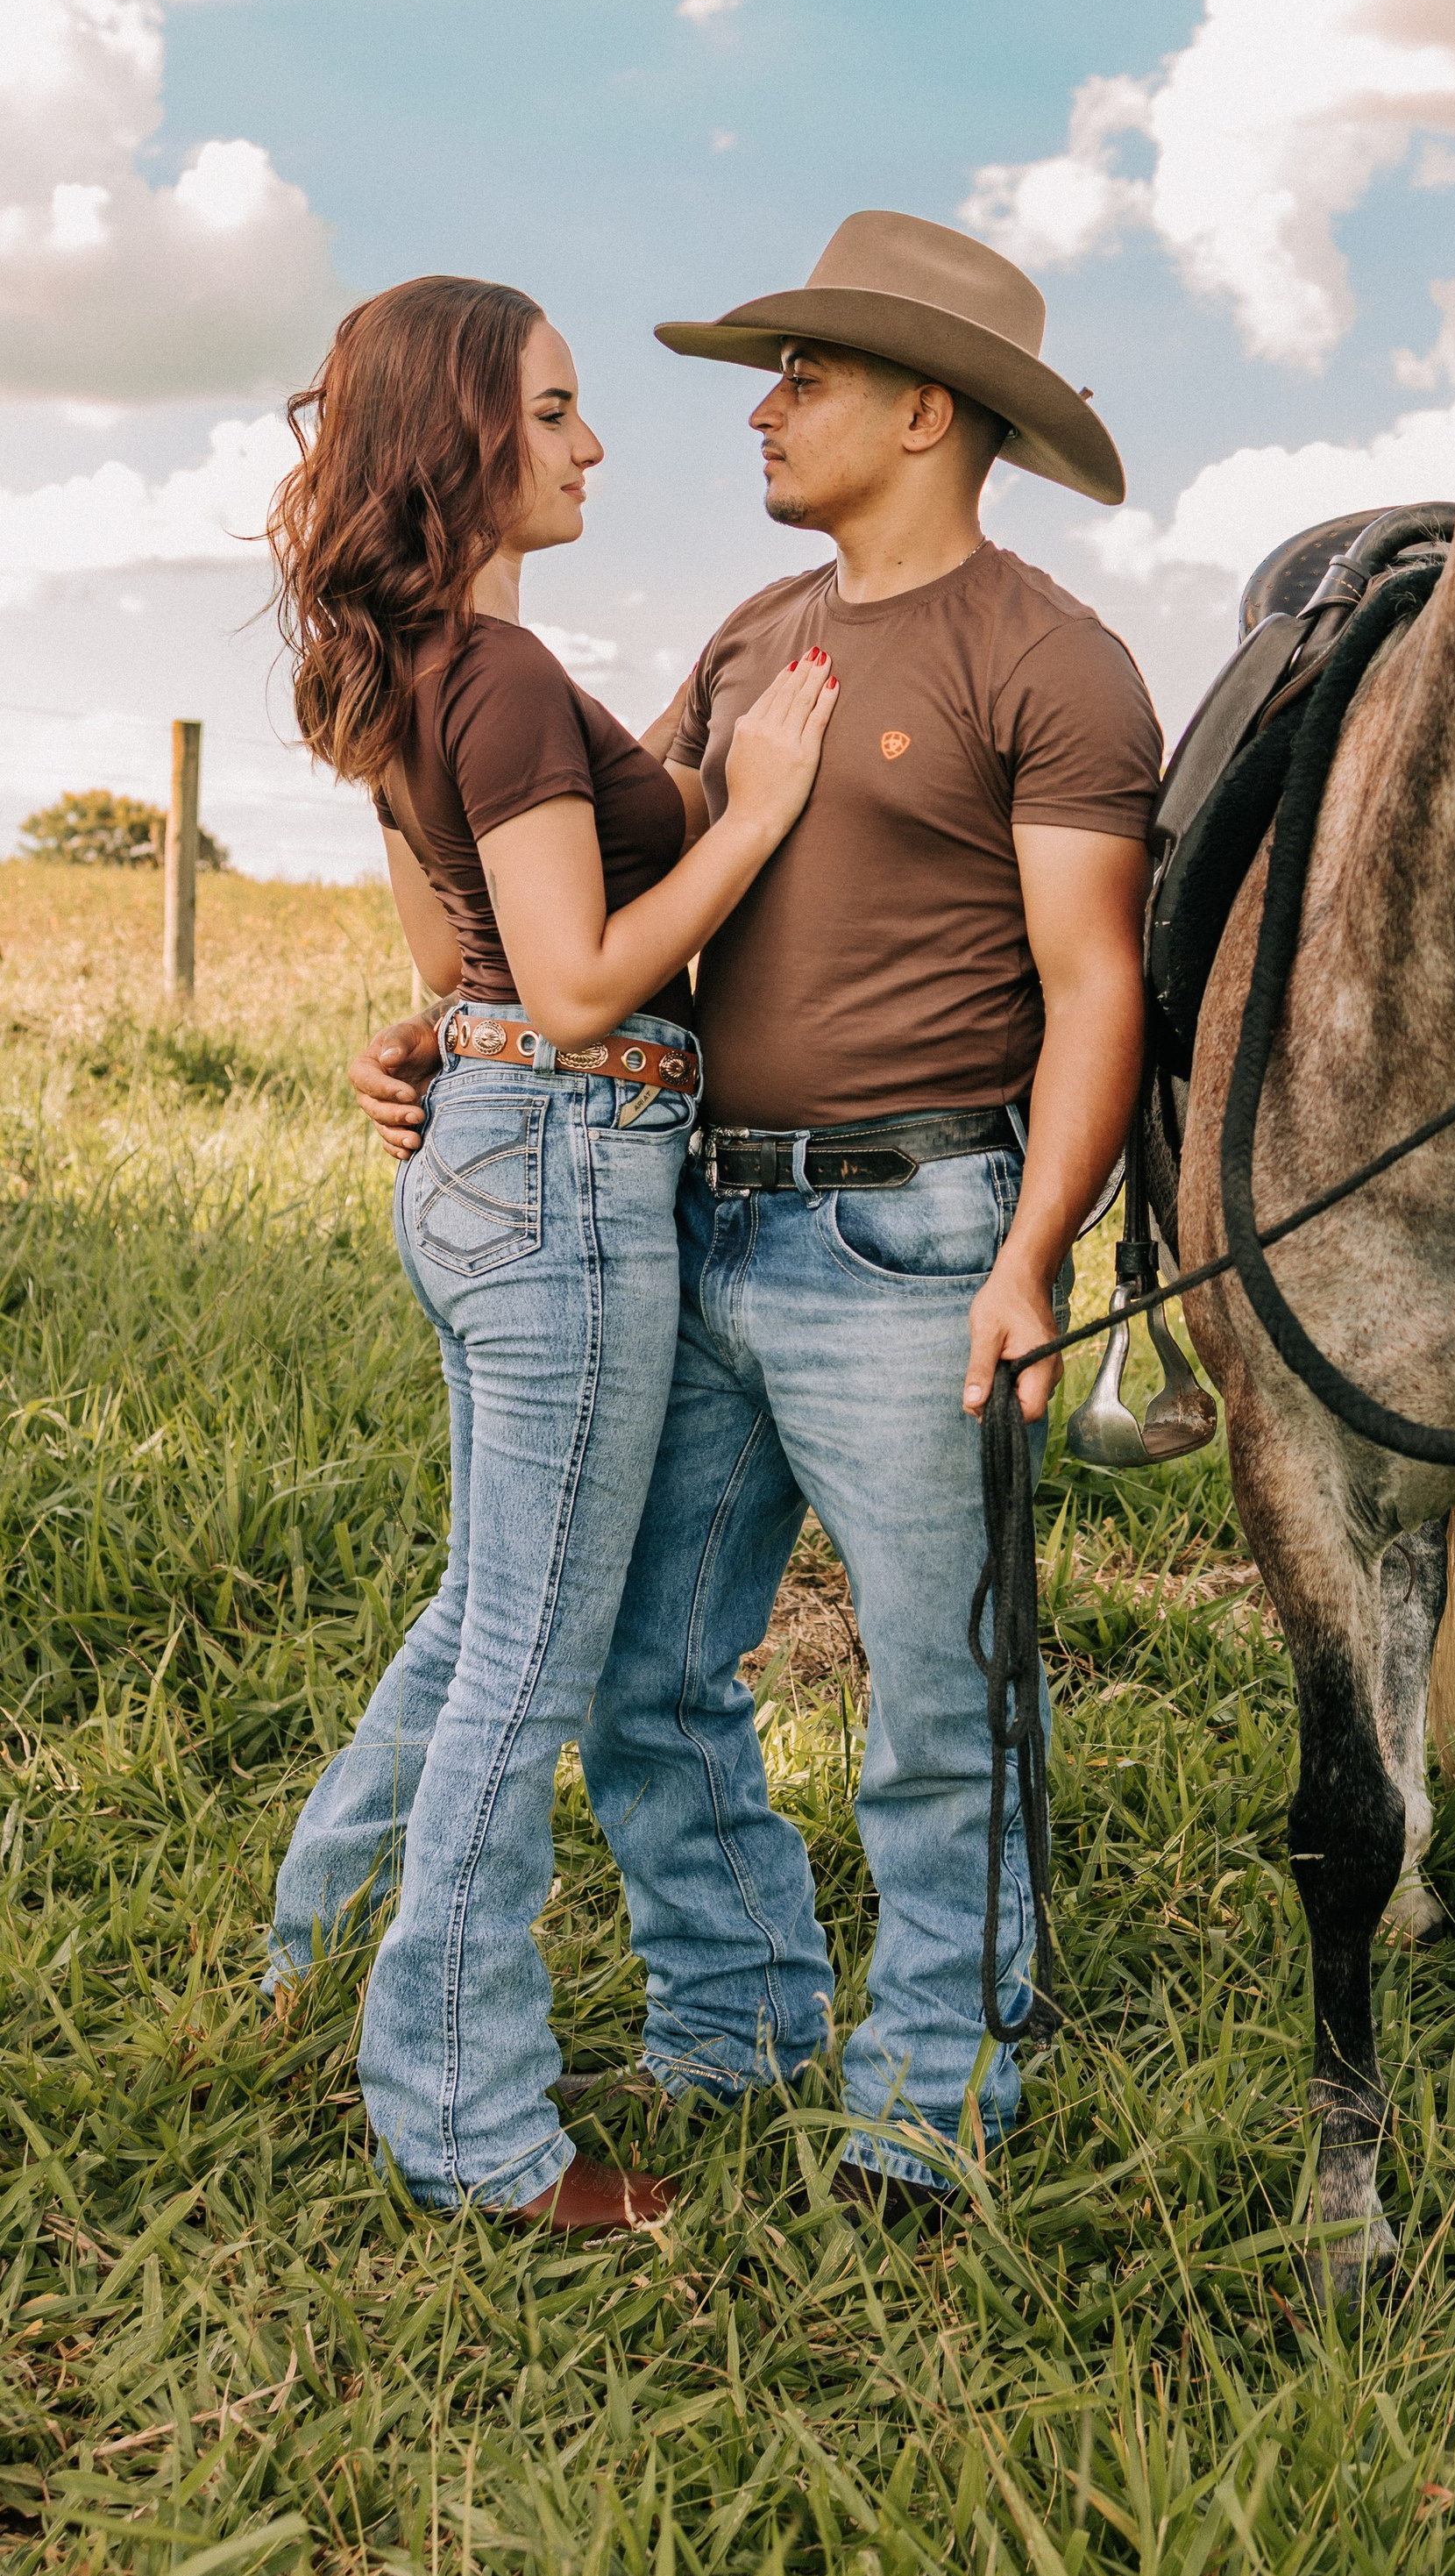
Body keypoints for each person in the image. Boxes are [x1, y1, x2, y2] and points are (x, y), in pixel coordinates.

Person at [351, 213, 1160, 2211]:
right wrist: (456, 1036)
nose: (762, 406)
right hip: (681, 1216)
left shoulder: (1048, 658)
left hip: (910, 1235)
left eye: (803, 373)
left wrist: (1032, 1252)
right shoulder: (745, 637)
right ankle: (740, 2019)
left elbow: (1095, 987)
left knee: (937, 1687)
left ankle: (929, 2089)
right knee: (644, 1668)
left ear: (923, 406)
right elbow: (633, 921)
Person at [267, 273, 837, 2230]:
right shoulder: (501, 678)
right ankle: (471, 2124)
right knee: (530, 1662)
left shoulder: (412, 664)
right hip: (577, 1167)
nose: (594, 444)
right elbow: (588, 983)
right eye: (559, 409)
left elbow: (458, 970)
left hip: (495, 1166)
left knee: (480, 1612)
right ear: (466, 440)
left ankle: (305, 1932)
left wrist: (452, 1039)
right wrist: (751, 806)